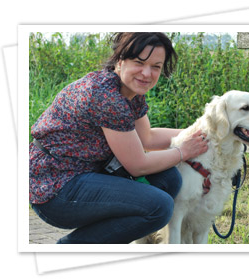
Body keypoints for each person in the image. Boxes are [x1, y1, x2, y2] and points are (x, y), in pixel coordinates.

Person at [29, 32, 208, 244]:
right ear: (120, 60)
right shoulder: (107, 97)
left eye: (156, 66)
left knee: (167, 179)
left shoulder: (130, 90)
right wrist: (183, 151)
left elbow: (147, 138)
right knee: (159, 206)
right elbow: (138, 166)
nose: (147, 73)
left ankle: (106, 240)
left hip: (83, 174)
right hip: (54, 189)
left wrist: (202, 132)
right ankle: (70, 249)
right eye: (139, 63)